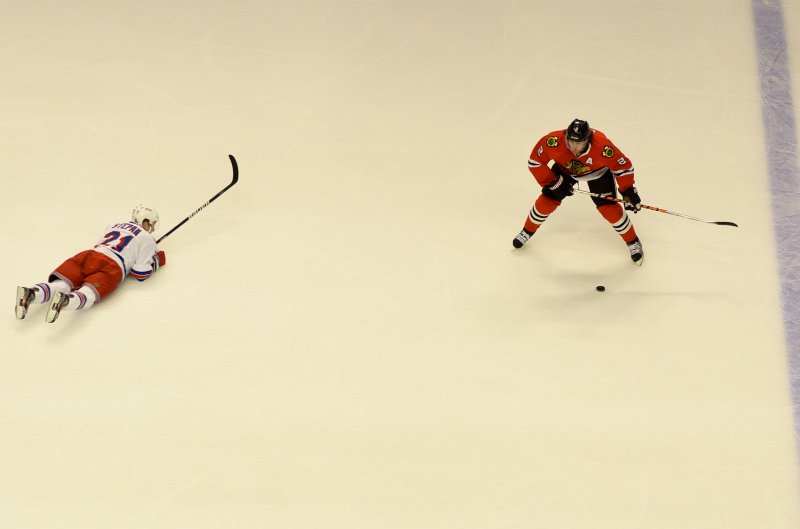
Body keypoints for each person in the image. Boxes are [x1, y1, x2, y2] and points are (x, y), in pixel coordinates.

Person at [513, 118, 644, 265]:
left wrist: (628, 191)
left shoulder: (603, 147)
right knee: (547, 201)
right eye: (571, 142)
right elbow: (534, 162)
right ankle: (526, 231)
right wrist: (554, 182)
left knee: (609, 210)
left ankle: (633, 242)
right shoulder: (553, 141)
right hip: (565, 170)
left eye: (579, 143)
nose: (574, 147)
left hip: (598, 173)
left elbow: (623, 167)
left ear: (587, 139)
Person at [15, 204, 167, 323]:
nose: (152, 229)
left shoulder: (114, 225)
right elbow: (140, 273)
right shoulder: (147, 238)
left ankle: (32, 293)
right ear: (144, 221)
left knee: (63, 284)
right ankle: (66, 301)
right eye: (151, 224)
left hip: (89, 255)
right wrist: (157, 260)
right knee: (89, 293)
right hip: (112, 267)